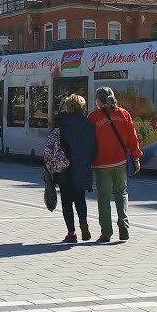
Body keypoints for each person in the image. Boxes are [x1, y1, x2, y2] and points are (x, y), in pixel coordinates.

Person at [88, 86, 142, 243]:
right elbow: (133, 137)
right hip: (120, 162)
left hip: (101, 164)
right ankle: (123, 223)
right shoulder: (124, 114)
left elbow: (89, 142)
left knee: (103, 197)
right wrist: (136, 158)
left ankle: (106, 233)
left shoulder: (94, 117)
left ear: (99, 101)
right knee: (121, 193)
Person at [54, 94, 98, 243]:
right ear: (83, 107)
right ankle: (83, 222)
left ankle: (71, 233)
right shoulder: (88, 124)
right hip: (82, 167)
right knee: (80, 198)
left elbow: (54, 145)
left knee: (66, 201)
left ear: (68, 106)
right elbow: (93, 147)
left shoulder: (62, 122)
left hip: (65, 167)